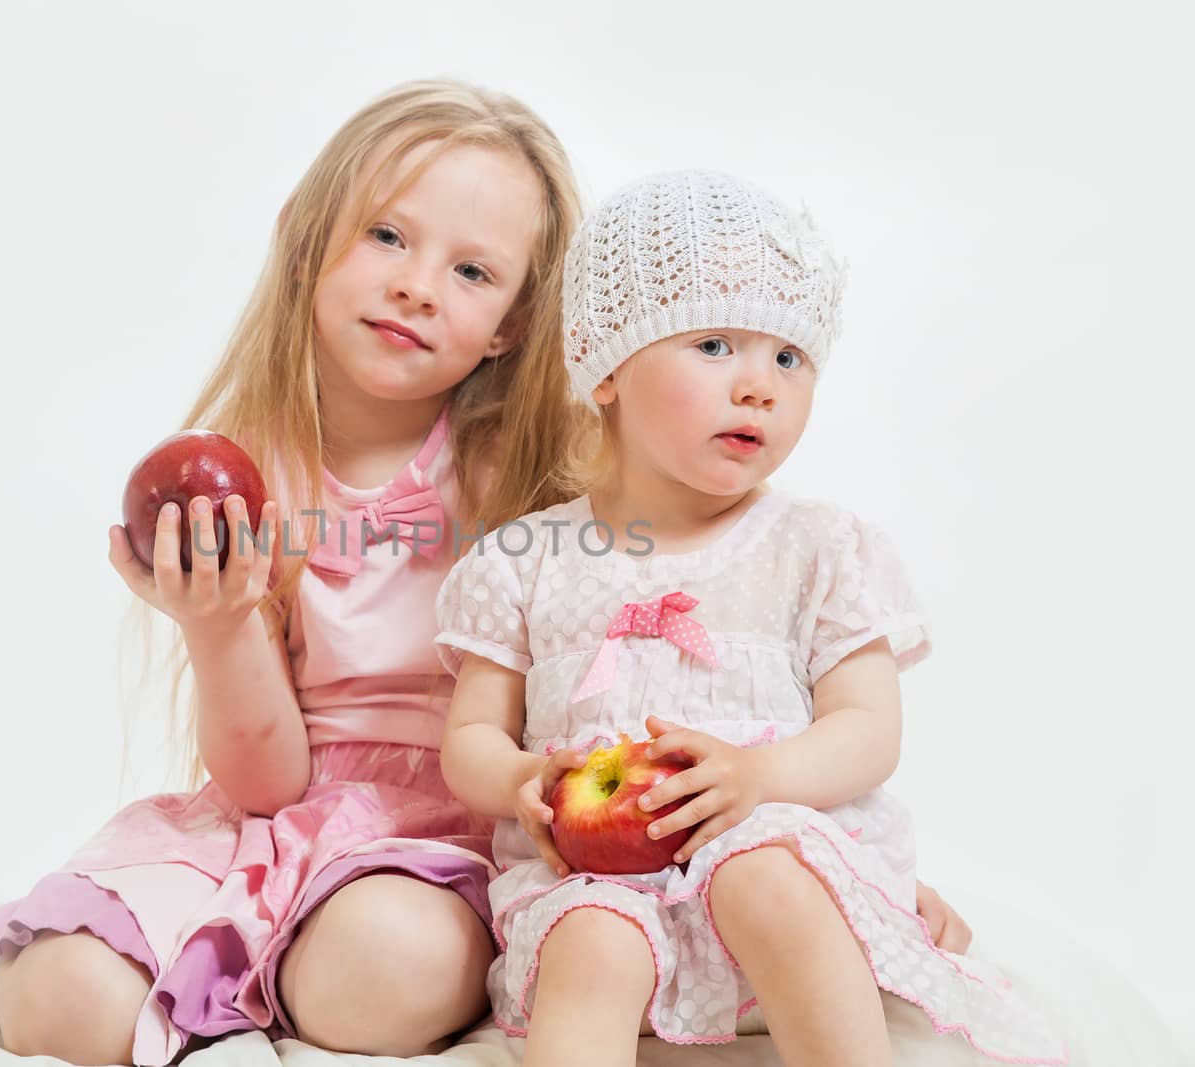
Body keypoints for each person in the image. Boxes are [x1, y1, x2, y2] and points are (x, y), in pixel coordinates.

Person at [0, 83, 977, 1067]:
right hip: (280, 807)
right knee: (54, 1000)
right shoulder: (251, 471)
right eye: (388, 237)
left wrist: (854, 876)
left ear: (517, 324)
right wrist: (218, 623)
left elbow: (707, 656)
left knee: (378, 968)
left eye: (473, 272)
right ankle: (228, 974)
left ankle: (263, 981)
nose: (417, 285)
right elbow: (266, 783)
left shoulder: (540, 487)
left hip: (444, 833)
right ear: (304, 236)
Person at [435, 170, 1068, 1067]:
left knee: (763, 870)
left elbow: (868, 728)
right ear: (605, 363)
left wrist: (756, 775)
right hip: (601, 873)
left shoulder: (816, 546)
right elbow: (470, 736)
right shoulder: (524, 559)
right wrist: (527, 780)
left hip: (771, 859)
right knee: (590, 939)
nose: (759, 386)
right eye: (716, 342)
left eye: (788, 357)